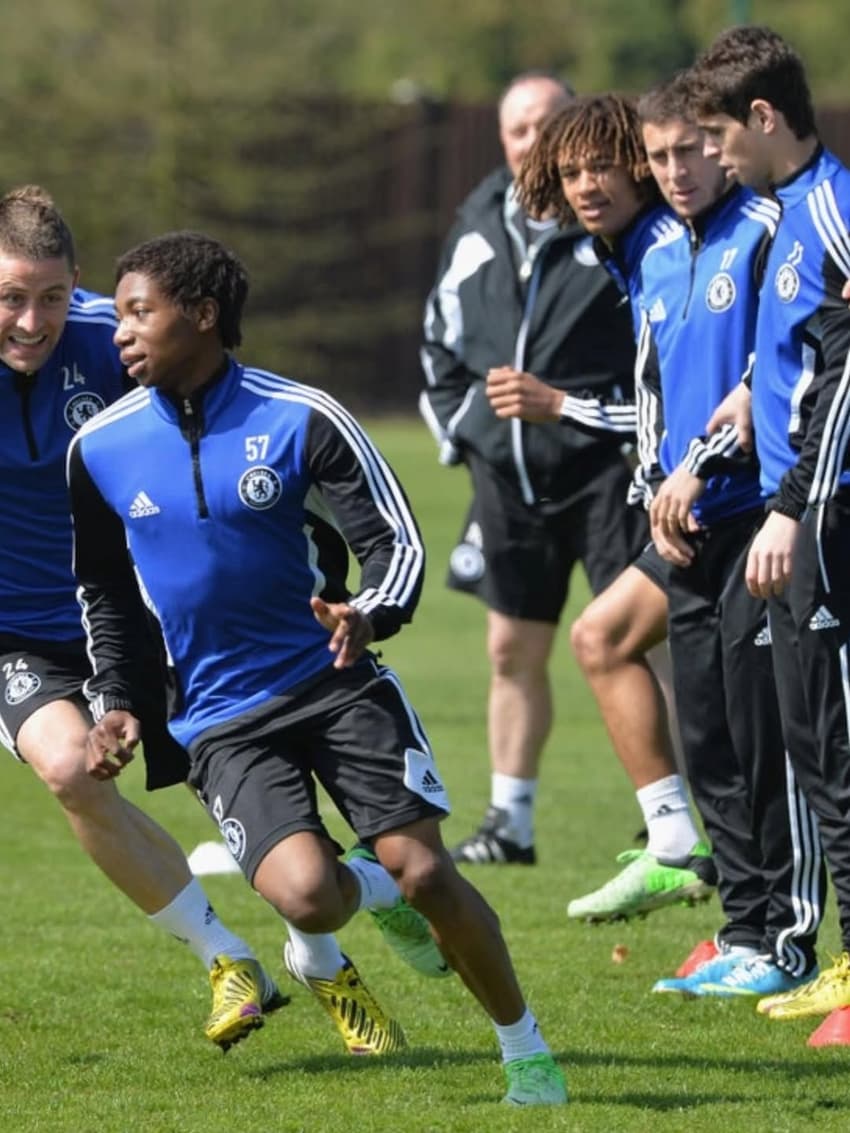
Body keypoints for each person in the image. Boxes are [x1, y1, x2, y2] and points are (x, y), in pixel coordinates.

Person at [66, 229, 567, 1105]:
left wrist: (369, 613)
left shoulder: (300, 415)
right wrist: (116, 700)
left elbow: (396, 542)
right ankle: (370, 887)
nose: (122, 331)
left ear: (203, 314)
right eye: (120, 314)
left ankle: (526, 1051)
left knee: (426, 870)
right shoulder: (100, 448)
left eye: (140, 312)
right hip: (218, 719)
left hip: (335, 683)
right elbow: (104, 593)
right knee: (308, 898)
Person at [0, 184, 435, 1059]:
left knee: (275, 821)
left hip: (153, 617)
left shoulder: (115, 336)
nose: (32, 321)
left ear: (78, 284)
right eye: (10, 297)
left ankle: (328, 944)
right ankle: (227, 958)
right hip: (21, 630)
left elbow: (227, 422)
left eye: (52, 296)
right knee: (70, 769)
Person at [513, 87, 823, 994]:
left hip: (756, 515)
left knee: (764, 739)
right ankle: (743, 928)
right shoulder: (649, 255)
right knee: (710, 736)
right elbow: (657, 385)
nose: (674, 170)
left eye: (688, 151)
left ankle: (785, 943)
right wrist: (657, 486)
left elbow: (776, 372)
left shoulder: (763, 228)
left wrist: (700, 464)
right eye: (660, 156)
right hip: (684, 523)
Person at [419, 72, 677, 872]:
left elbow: (667, 369)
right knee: (510, 647)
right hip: (509, 476)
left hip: (609, 469)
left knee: (647, 643)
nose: (533, 141)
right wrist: (468, 434)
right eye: (518, 128)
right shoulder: (476, 223)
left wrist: (568, 409)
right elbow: (439, 339)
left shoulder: (628, 228)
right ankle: (511, 821)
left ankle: (678, 819)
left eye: (550, 126)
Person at [690, 23, 850, 1046]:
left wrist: (796, 505)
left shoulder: (832, 208)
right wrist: (754, 392)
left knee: (835, 744)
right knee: (810, 740)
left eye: (717, 136)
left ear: (761, 116)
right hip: (804, 502)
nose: (711, 156)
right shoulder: (786, 214)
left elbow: (848, 372)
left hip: (830, 511)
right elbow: (805, 353)